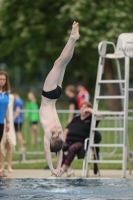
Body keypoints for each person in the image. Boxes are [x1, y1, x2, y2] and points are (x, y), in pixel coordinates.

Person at [39, 21, 80, 177]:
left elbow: (60, 151)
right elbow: (48, 152)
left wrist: (57, 169)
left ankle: (73, 38)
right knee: (58, 63)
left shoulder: (60, 132)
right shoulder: (48, 132)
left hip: (57, 94)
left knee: (63, 64)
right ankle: (72, 37)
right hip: (48, 95)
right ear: (50, 142)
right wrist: (52, 169)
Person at [60, 101, 102, 177]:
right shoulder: (76, 118)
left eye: (85, 107)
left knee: (72, 148)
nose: (83, 109)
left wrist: (90, 110)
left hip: (81, 141)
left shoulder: (92, 118)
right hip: (69, 139)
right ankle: (68, 168)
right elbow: (67, 129)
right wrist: (64, 138)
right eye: (82, 107)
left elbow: (99, 115)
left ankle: (62, 169)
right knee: (58, 147)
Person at [0, 94, 16, 173]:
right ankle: (2, 166)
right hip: (1, 122)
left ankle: (9, 166)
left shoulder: (10, 97)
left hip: (9, 122)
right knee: (1, 145)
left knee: (9, 144)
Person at [0, 71, 10, 177]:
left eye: (3, 79)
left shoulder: (6, 93)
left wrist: (8, 122)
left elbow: (6, 109)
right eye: (0, 79)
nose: (2, 81)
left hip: (1, 122)